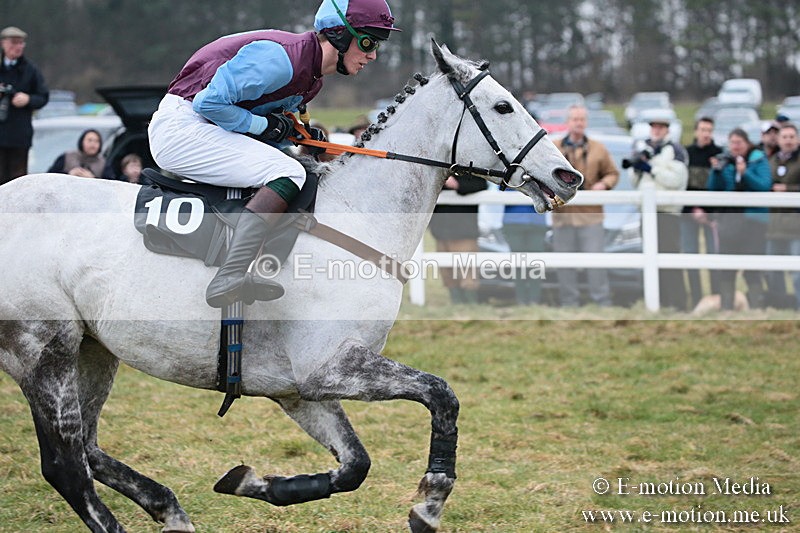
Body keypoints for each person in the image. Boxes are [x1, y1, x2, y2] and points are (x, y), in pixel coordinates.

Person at [148, 0, 400, 308]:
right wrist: (267, 126)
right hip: (182, 127)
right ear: (338, 35)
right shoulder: (280, 59)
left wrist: (295, 139)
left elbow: (269, 132)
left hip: (204, 128)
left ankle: (259, 264)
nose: (372, 54)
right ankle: (230, 274)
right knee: (289, 173)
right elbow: (208, 104)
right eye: (368, 41)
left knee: (298, 168)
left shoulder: (312, 79)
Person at [553, 104, 619, 307]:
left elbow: (613, 173)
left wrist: (604, 184)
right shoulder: (554, 148)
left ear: (586, 122)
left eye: (582, 119)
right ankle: (569, 303)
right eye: (575, 119)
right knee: (565, 264)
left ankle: (601, 302)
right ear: (568, 122)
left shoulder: (598, 148)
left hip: (591, 216)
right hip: (563, 217)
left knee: (595, 263)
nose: (578, 123)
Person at [627, 111, 689, 310]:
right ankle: (659, 301)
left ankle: (678, 302)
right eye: (654, 127)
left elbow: (676, 180)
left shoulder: (675, 150)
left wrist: (651, 169)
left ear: (667, 130)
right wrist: (637, 167)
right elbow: (633, 181)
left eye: (660, 127)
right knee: (650, 256)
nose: (657, 130)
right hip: (647, 212)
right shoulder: (643, 147)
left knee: (670, 256)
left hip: (667, 213)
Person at [707, 128, 772, 310]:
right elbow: (713, 189)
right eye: (732, 143)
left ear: (747, 143)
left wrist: (745, 173)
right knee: (727, 267)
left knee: (752, 267)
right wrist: (716, 172)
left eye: (739, 143)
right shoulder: (725, 161)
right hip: (729, 220)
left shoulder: (758, 160)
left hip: (753, 221)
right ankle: (726, 308)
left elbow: (764, 186)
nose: (735, 147)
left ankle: (756, 308)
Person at [681, 116, 723, 308]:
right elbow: (683, 185)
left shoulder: (719, 154)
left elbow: (720, 186)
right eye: (703, 130)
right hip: (689, 213)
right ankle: (696, 299)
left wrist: (706, 210)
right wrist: (693, 209)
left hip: (711, 216)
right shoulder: (687, 154)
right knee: (691, 256)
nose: (706, 134)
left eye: (709, 130)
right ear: (696, 131)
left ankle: (716, 297)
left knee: (714, 255)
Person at [0, 26, 49, 185]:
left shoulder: (30, 70)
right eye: (14, 43)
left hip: (19, 136)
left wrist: (27, 99)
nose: (18, 47)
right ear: (4, 44)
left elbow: (43, 96)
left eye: (21, 43)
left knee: (17, 182)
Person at [429, 175, 487, 304]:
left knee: (467, 272)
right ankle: (457, 302)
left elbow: (481, 185)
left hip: (463, 231)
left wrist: (456, 184)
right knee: (446, 272)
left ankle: (471, 303)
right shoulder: (440, 170)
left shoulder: (470, 168)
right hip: (441, 230)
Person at [765, 123, 800, 309]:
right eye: (784, 137)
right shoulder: (771, 162)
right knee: (774, 270)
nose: (788, 140)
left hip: (796, 226)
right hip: (774, 225)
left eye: (791, 137)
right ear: (778, 140)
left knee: (797, 271)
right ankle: (780, 306)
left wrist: (789, 190)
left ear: (798, 139)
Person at [502, 194, 547, 306]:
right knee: (518, 263)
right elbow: (502, 191)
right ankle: (521, 299)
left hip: (536, 222)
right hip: (513, 222)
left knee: (535, 263)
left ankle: (534, 300)